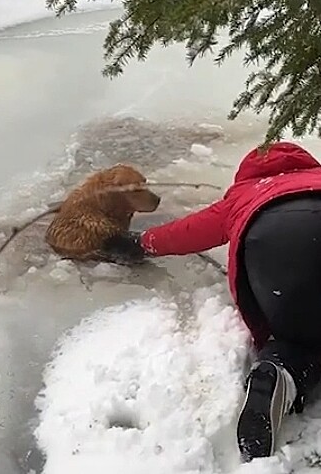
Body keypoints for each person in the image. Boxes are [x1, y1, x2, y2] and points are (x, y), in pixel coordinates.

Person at [102, 141, 321, 462]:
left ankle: (279, 372)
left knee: (300, 336)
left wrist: (139, 244)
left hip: (275, 256)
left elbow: (187, 231)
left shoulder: (244, 195)